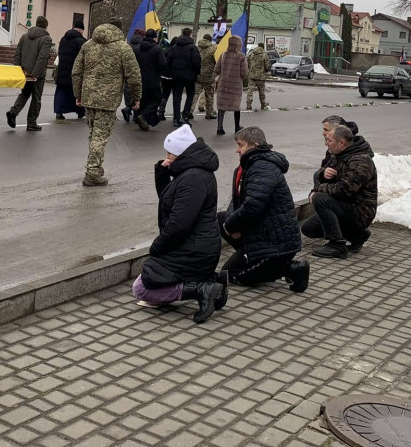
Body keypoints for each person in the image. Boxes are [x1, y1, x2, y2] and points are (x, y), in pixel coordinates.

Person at [131, 124, 224, 323]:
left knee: (141, 288)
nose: (168, 157)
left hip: (194, 250)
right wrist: (163, 173)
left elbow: (179, 223)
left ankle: (201, 290)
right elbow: (170, 204)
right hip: (195, 247)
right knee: (149, 276)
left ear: (182, 154)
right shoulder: (192, 173)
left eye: (170, 153)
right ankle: (211, 282)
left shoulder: (193, 179)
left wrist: (157, 246)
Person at [218, 127, 308, 291]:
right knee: (221, 219)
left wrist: (233, 226)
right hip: (263, 232)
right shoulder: (249, 165)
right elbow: (237, 200)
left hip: (277, 244)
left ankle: (291, 269)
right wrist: (230, 225)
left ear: (255, 145)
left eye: (241, 145)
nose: (237, 150)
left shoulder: (262, 168)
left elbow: (252, 206)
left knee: (230, 274)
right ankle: (253, 257)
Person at [71, 18, 142, 186]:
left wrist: (78, 93)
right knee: (100, 137)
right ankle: (93, 173)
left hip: (89, 97)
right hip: (108, 100)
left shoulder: (88, 45)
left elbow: (76, 71)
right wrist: (136, 97)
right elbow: (134, 76)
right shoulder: (124, 48)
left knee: (94, 135)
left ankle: (95, 167)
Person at [301, 124, 377, 259]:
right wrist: (323, 174)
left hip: (360, 211)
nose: (326, 144)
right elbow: (324, 176)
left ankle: (337, 246)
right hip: (345, 206)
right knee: (308, 229)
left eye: (329, 141)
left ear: (341, 142)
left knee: (320, 198)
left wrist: (318, 190)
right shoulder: (339, 154)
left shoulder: (361, 160)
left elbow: (344, 190)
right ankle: (357, 235)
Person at [6, 16, 53, 132]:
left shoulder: (24, 36)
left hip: (24, 71)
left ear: (36, 24)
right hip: (37, 74)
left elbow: (17, 54)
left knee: (25, 93)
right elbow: (42, 57)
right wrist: (35, 74)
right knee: (36, 98)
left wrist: (18, 70)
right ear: (46, 26)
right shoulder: (46, 39)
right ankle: (31, 123)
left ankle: (13, 112)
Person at [164, 28, 201, 127]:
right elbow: (196, 61)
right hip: (190, 75)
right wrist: (196, 73)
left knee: (177, 96)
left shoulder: (175, 47)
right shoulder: (193, 47)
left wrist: (171, 71)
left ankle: (176, 118)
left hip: (177, 75)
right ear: (190, 34)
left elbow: (169, 60)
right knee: (190, 95)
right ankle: (185, 116)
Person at [213, 34, 248, 136]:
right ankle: (237, 126)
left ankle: (220, 128)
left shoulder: (223, 54)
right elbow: (244, 72)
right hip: (235, 85)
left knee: (221, 105)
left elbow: (216, 69)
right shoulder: (241, 56)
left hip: (223, 83)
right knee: (236, 106)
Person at [53, 20, 87, 120]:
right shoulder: (81, 42)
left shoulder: (63, 39)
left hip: (62, 70)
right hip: (75, 72)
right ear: (81, 30)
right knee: (78, 92)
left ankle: (59, 112)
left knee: (62, 92)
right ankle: (80, 112)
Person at [134, 29, 166, 130]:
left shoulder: (137, 48)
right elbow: (162, 64)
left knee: (143, 101)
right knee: (156, 99)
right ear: (155, 38)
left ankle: (142, 122)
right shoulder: (157, 49)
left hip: (140, 79)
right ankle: (143, 116)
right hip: (153, 80)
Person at [191, 33, 217, 120]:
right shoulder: (213, 49)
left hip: (198, 75)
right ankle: (209, 113)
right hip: (209, 76)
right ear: (210, 40)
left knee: (194, 95)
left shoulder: (196, 48)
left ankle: (189, 112)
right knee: (209, 96)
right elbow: (216, 61)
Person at [245, 43, 270, 112]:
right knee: (261, 91)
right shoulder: (264, 55)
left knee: (250, 90)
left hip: (252, 75)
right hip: (261, 76)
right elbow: (267, 66)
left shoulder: (251, 53)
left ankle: (248, 104)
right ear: (263, 47)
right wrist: (266, 70)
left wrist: (250, 69)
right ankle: (263, 104)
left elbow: (247, 62)